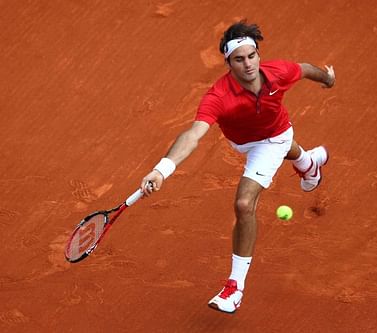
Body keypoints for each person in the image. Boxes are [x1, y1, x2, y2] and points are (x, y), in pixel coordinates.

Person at [140, 20, 335, 314]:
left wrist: (328, 79)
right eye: (239, 59)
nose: (248, 64)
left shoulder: (277, 72)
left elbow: (306, 68)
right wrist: (161, 169)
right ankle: (308, 163)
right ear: (228, 63)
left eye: (252, 56)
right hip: (243, 142)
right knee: (287, 149)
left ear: (259, 54)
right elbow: (193, 134)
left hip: (273, 138)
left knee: (244, 204)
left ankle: (235, 287)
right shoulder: (218, 95)